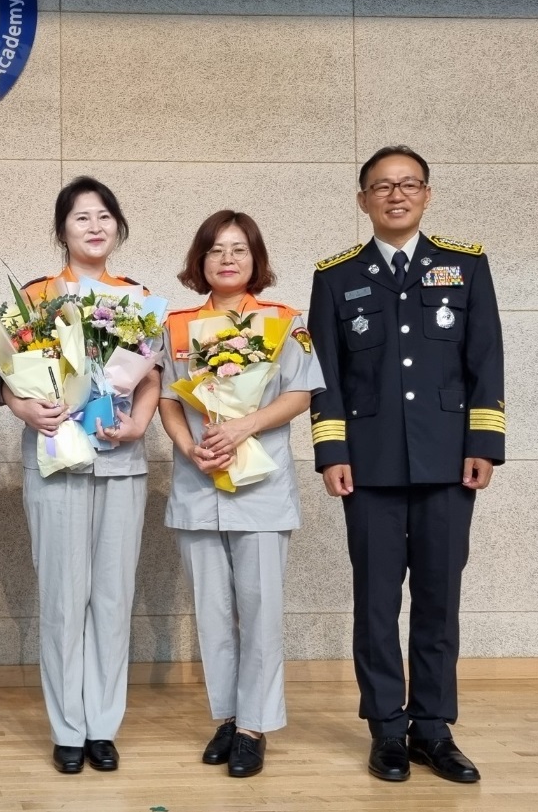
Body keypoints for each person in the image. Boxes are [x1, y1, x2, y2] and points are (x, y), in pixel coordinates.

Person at [308, 145, 504, 784]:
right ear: (362, 199)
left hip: (448, 461)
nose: (397, 195)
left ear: (427, 194)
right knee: (375, 601)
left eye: (409, 184)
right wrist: (332, 452)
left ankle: (434, 729)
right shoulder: (336, 276)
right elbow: (325, 376)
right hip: (368, 466)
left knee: (439, 599)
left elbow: (485, 361)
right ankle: (388, 729)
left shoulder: (465, 266)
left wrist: (483, 444)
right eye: (383, 186)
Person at [158, 211, 323, 777]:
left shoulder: (284, 321)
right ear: (199, 260)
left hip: (261, 485)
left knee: (259, 609)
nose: (227, 260)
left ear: (256, 259)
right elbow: (167, 399)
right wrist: (189, 448)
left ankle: (255, 725)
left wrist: (242, 427)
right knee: (212, 611)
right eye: (216, 250)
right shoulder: (177, 325)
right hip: (198, 481)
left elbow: (301, 393)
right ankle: (227, 716)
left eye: (239, 249)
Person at [6, 176, 161, 775]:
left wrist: (138, 424)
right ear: (62, 230)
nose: (94, 227)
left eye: (103, 216)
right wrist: (26, 409)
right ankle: (68, 727)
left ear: (117, 226)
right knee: (64, 598)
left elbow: (151, 377)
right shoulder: (35, 298)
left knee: (113, 597)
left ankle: (103, 725)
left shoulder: (138, 298)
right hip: (55, 458)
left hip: (120, 461)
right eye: (81, 217)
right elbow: (6, 378)